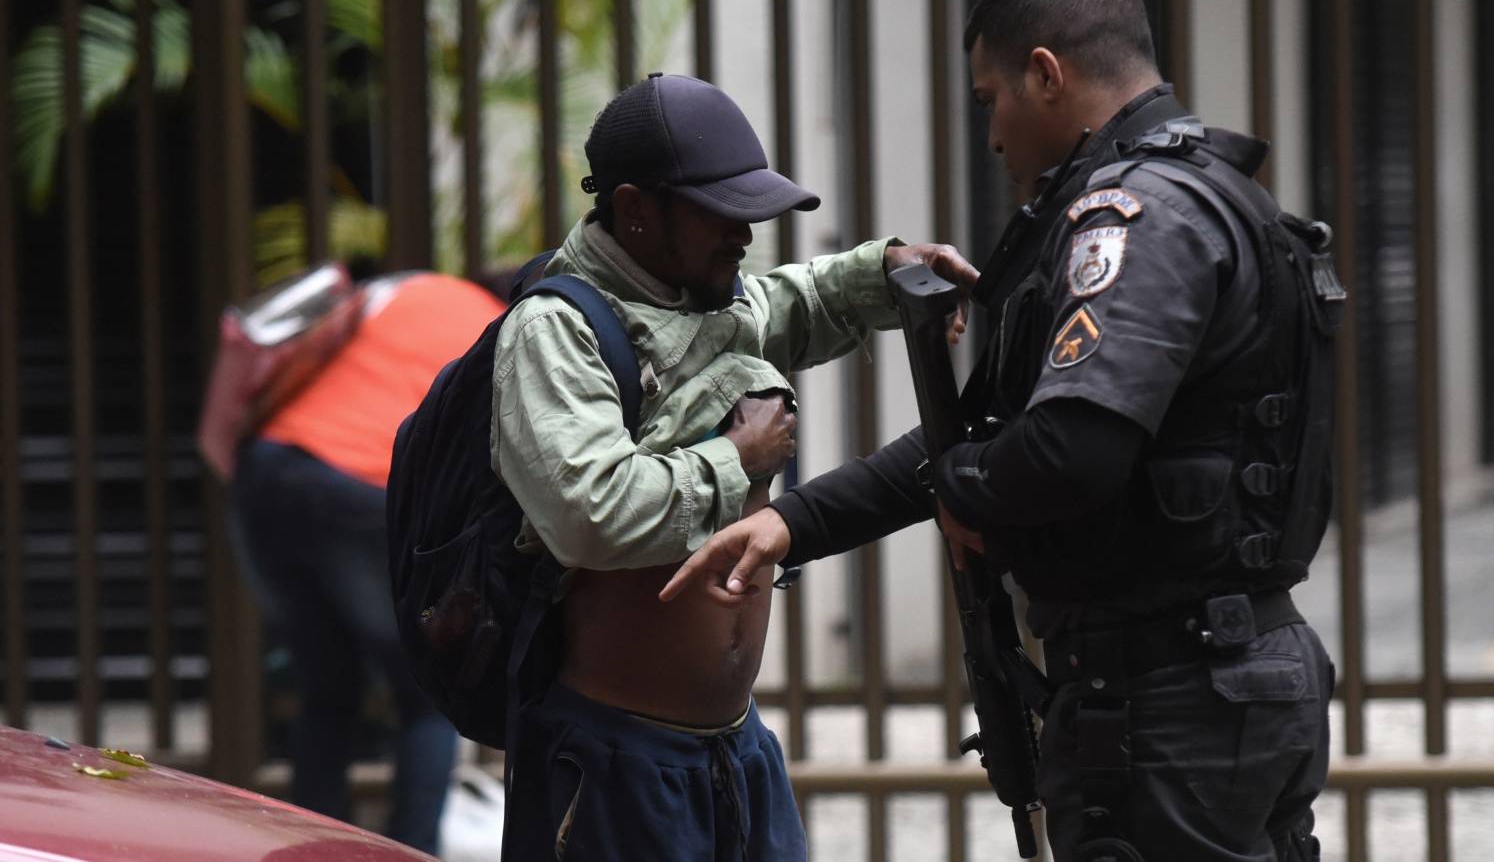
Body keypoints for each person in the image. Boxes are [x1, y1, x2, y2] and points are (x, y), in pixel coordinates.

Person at [662, 0, 1338, 861]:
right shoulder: (1209, 192)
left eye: (992, 100)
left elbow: (1066, 450)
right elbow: (979, 442)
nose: (991, 136)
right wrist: (794, 526)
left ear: (1047, 74)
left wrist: (969, 491)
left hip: (1172, 697)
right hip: (1219, 680)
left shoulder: (1132, 219)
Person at [489, 72, 974, 861]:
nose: (744, 234)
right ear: (636, 210)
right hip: (619, 764)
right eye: (722, 214)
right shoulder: (557, 331)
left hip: (735, 753)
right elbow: (588, 511)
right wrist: (735, 458)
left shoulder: (704, 299)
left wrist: (888, 268)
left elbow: (800, 301)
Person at [228, 270, 505, 856]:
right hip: (359, 488)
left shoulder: (406, 291)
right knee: (427, 694)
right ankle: (411, 852)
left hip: (266, 469)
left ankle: (308, 851)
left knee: (328, 686)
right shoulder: (503, 327)